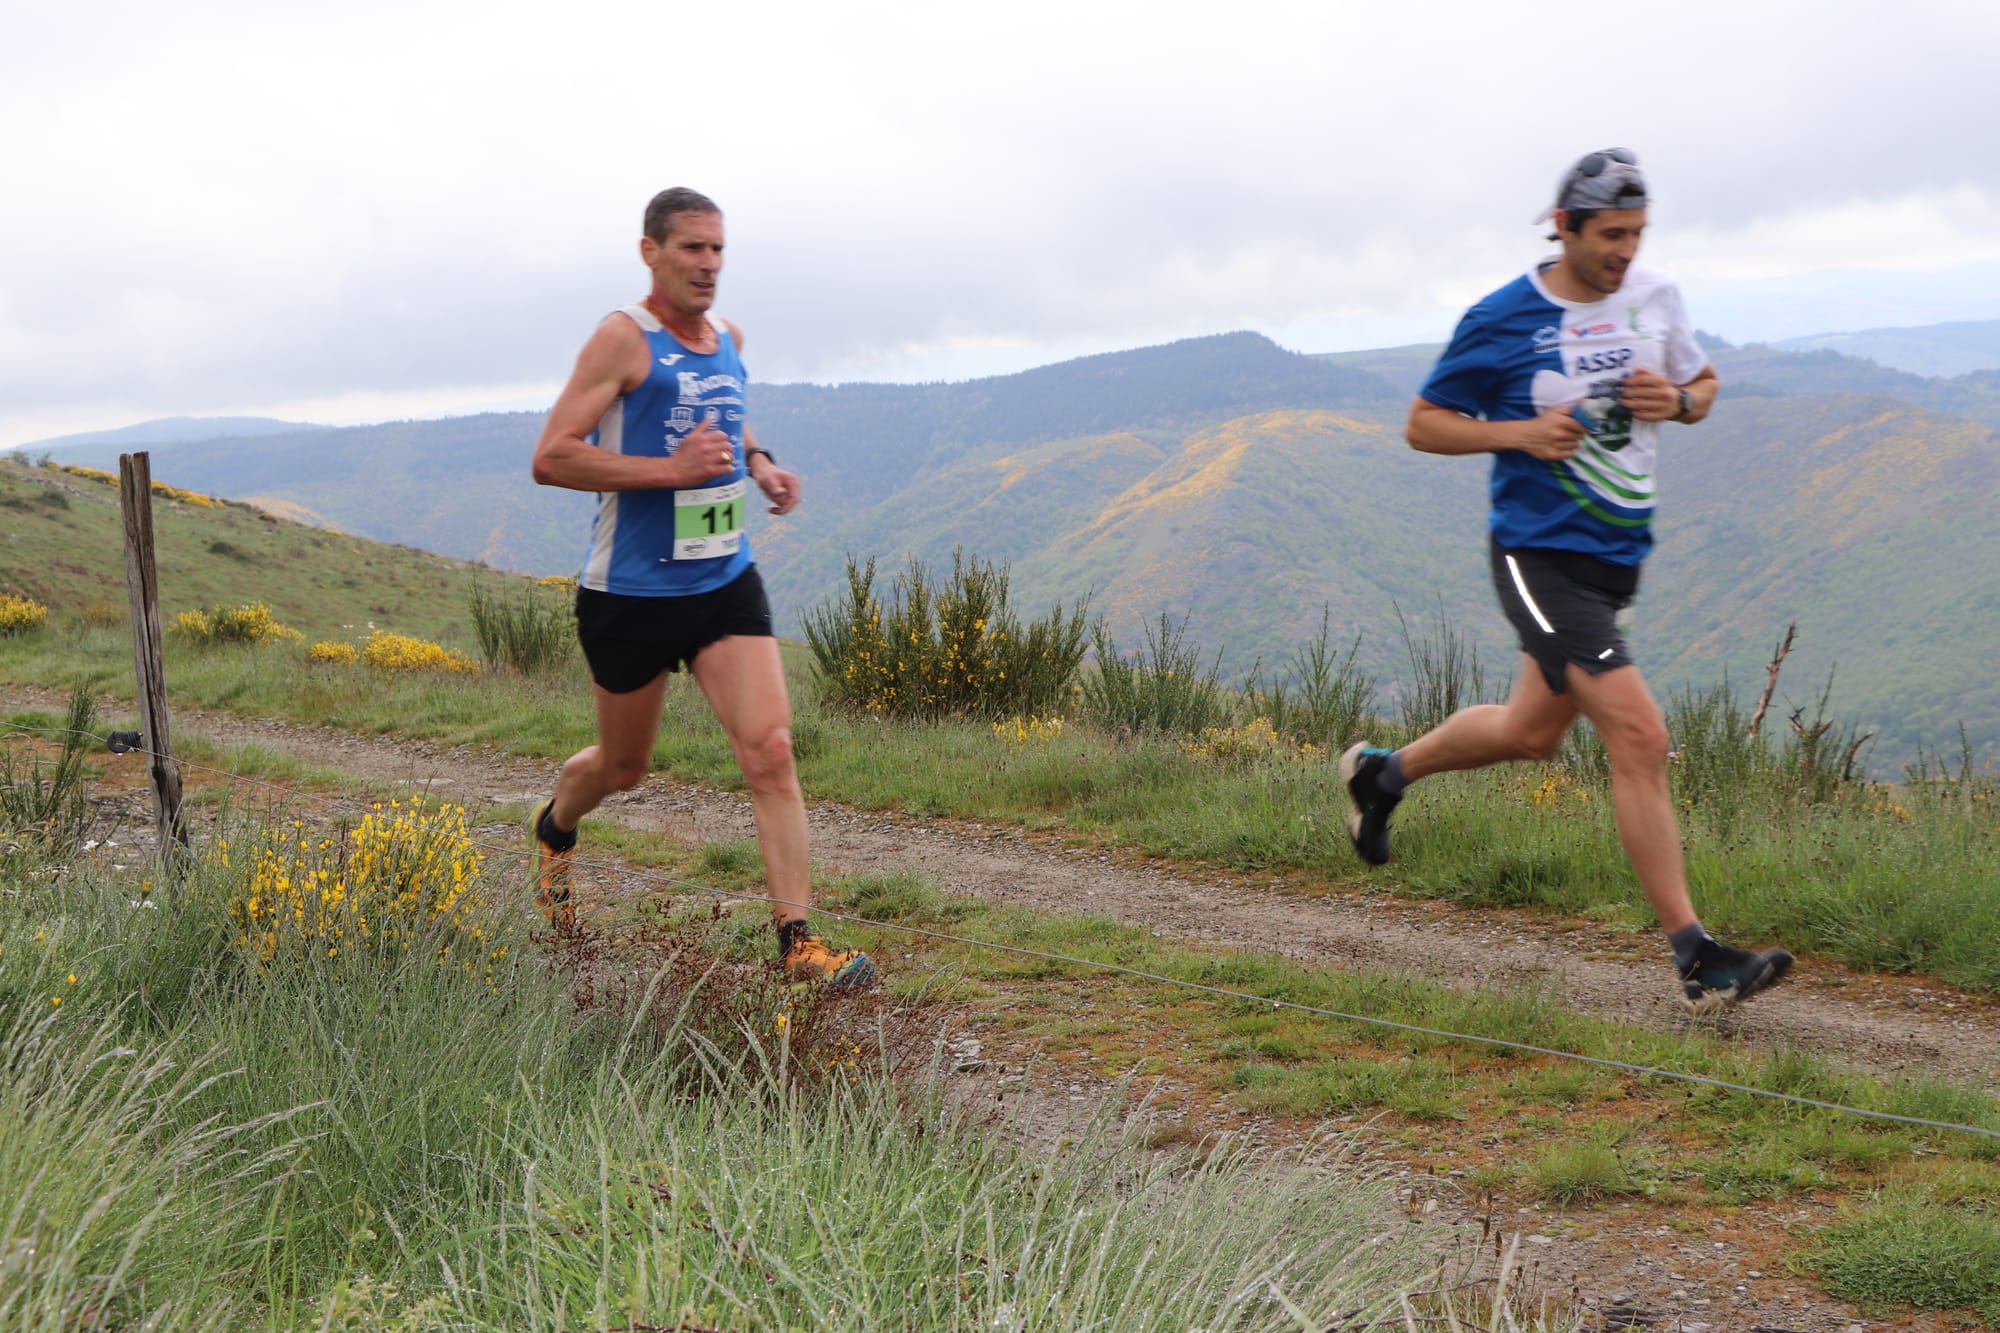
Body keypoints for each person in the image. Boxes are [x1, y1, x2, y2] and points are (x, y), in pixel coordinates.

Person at [1339, 148, 1790, 1015]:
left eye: (1637, 234)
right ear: (1565, 226)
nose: (1626, 251)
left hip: (1613, 559)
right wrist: (1520, 434)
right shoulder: (1503, 317)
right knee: (1640, 735)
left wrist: (1682, 403)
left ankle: (1382, 775)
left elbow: (1704, 384)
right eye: (1611, 235)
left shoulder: (1654, 296)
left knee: (1530, 732)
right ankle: (1697, 957)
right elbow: (1424, 425)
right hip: (1536, 554)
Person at [528, 186, 874, 987]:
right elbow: (552, 456)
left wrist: (759, 463)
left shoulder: (727, 339)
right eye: (692, 248)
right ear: (650, 250)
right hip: (630, 595)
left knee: (772, 751)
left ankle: (799, 943)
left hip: (723, 580)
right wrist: (670, 472)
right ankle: (554, 826)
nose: (709, 264)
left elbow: (728, 412)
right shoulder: (622, 341)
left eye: (718, 249)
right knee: (623, 768)